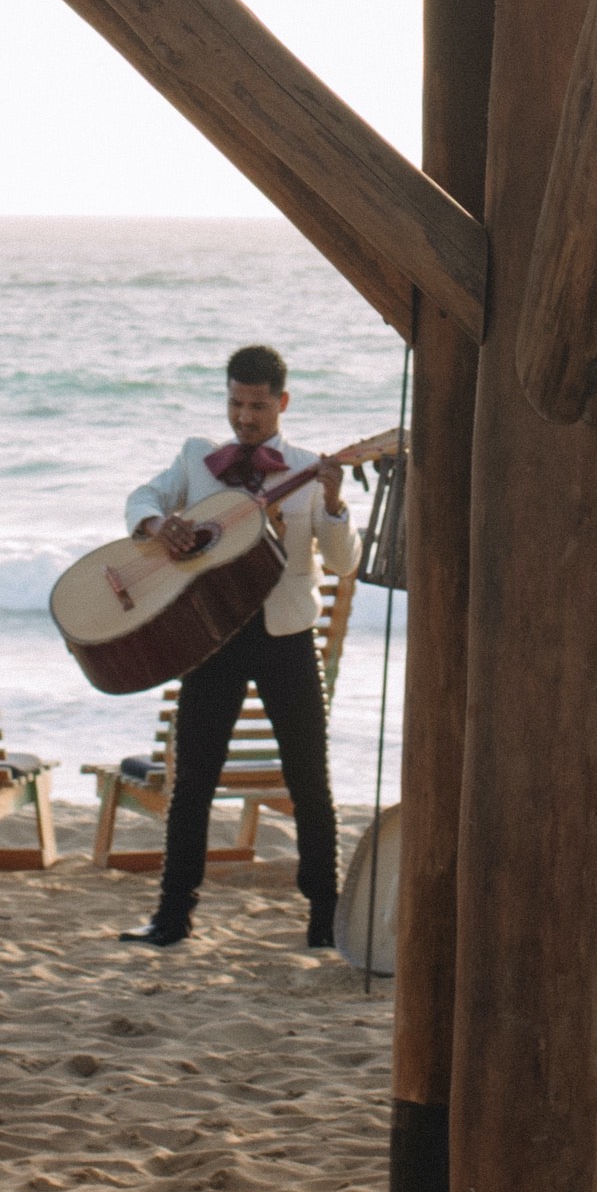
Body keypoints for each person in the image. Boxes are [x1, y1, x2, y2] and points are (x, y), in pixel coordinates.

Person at [118, 344, 356, 953]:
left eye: (257, 406)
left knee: (309, 779)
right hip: (212, 636)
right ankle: (172, 917)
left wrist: (333, 505)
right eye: (235, 404)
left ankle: (324, 918)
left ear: (282, 403)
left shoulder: (307, 470)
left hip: (285, 635)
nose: (244, 418)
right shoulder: (197, 460)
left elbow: (342, 562)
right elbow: (141, 498)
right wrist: (157, 526)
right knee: (193, 780)